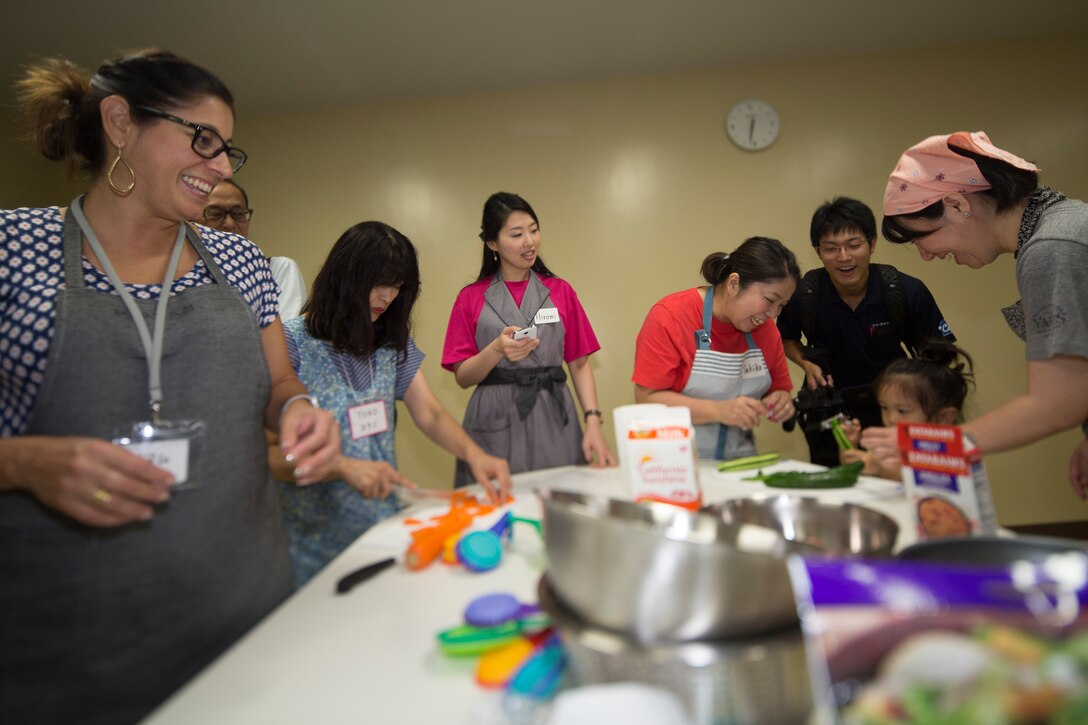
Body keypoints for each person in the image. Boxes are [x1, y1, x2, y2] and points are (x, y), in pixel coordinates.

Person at [0, 50, 340, 723]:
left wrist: (298, 409)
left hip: (244, 620)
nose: (222, 166)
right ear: (120, 123)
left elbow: (279, 379)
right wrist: (26, 462)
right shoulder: (14, 249)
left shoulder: (240, 260)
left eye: (228, 149)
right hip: (71, 654)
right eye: (202, 139)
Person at [271, 220, 513, 587]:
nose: (387, 297)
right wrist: (340, 468)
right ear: (345, 277)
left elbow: (430, 414)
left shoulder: (389, 346)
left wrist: (475, 455)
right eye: (379, 284)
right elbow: (269, 456)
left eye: (397, 287)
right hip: (313, 542)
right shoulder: (290, 343)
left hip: (381, 530)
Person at [868, 130, 1088, 499]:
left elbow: (1057, 404)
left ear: (957, 205)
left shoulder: (1051, 248)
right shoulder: (1065, 226)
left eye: (921, 237)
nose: (926, 255)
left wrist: (930, 444)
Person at [441, 192, 615, 484]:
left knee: (560, 497)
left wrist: (593, 421)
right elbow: (463, 377)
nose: (529, 241)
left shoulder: (560, 291)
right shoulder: (470, 298)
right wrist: (497, 349)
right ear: (492, 243)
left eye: (534, 230)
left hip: (553, 410)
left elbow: (579, 362)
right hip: (494, 416)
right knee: (495, 502)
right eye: (517, 234)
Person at [776, 197, 955, 466]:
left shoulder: (905, 290)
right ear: (818, 251)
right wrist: (805, 363)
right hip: (829, 411)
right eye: (831, 248)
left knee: (894, 479)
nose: (844, 257)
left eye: (854, 245)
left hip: (892, 413)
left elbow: (940, 354)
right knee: (836, 484)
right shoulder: (804, 293)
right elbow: (785, 337)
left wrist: (917, 399)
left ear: (872, 243)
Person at [632, 237, 799, 460]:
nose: (773, 314)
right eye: (770, 300)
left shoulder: (767, 331)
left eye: (782, 306)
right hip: (676, 463)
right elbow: (647, 399)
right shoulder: (670, 316)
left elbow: (778, 389)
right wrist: (719, 411)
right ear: (733, 283)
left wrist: (780, 401)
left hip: (740, 461)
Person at [841, 342, 974, 479]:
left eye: (902, 411)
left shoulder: (948, 452)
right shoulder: (889, 444)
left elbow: (927, 480)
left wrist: (881, 470)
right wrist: (849, 446)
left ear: (944, 417)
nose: (890, 418)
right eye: (884, 407)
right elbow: (855, 473)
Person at [202, 179, 307, 320]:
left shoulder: (276, 270)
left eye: (238, 213)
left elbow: (284, 330)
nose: (229, 223)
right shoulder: (184, 273)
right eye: (216, 214)